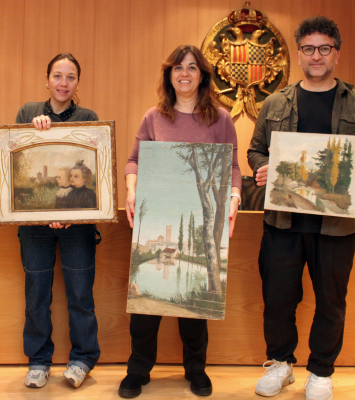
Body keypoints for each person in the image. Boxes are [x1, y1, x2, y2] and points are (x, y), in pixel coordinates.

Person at [248, 16, 355, 400]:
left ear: (336, 54)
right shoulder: (275, 102)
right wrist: (261, 168)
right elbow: (256, 150)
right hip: (282, 219)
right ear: (298, 54)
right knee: (278, 297)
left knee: (331, 299)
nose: (316, 56)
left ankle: (321, 371)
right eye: (308, 49)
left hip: (337, 223)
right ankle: (280, 364)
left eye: (324, 48)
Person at [120, 44, 242, 398]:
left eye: (191, 67)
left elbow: (232, 167)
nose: (184, 73)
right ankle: (137, 371)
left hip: (203, 220)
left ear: (202, 74)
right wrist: (131, 190)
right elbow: (133, 161)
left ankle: (196, 370)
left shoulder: (221, 119)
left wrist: (233, 199)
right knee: (147, 302)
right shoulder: (153, 117)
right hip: (157, 214)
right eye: (177, 68)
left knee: (195, 303)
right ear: (168, 75)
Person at [15, 53, 101, 389]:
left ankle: (83, 359)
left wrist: (68, 214)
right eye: (57, 76)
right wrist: (31, 131)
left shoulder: (88, 117)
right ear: (47, 79)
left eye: (70, 77)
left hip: (77, 225)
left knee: (81, 294)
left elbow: (92, 173)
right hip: (35, 226)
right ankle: (38, 361)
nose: (63, 83)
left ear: (77, 82)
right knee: (36, 292)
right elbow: (18, 160)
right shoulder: (27, 113)